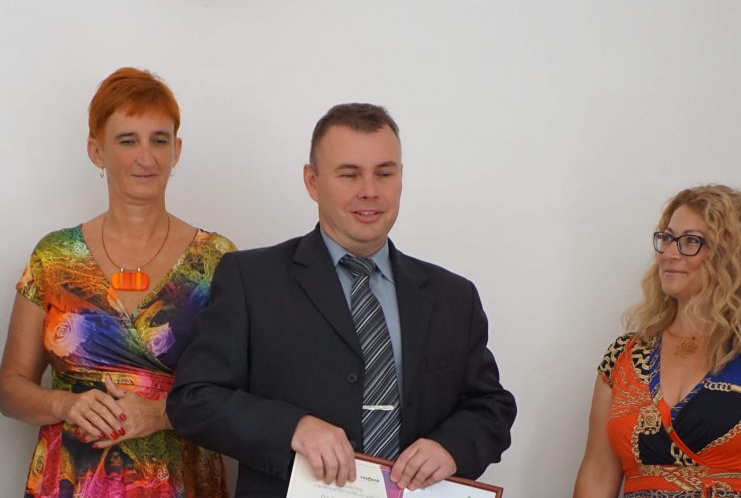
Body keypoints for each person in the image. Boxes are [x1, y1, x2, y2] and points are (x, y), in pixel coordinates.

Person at [167, 103, 516, 497]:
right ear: (312, 181)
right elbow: (194, 401)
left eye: (384, 173)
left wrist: (452, 447)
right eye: (349, 174)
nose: (370, 190)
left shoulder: (453, 296)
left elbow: (491, 406)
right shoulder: (251, 279)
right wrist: (293, 428)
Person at [0, 67, 236, 497]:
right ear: (96, 151)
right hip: (70, 482)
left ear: (177, 150)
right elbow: (10, 387)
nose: (146, 157)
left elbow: (242, 390)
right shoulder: (54, 257)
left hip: (180, 482)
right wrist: (65, 403)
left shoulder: (217, 260)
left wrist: (162, 414)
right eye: (128, 141)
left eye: (159, 140)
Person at [573, 184, 741, 498]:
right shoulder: (625, 355)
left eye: (691, 241)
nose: (669, 253)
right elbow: (597, 475)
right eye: (666, 238)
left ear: (734, 255)